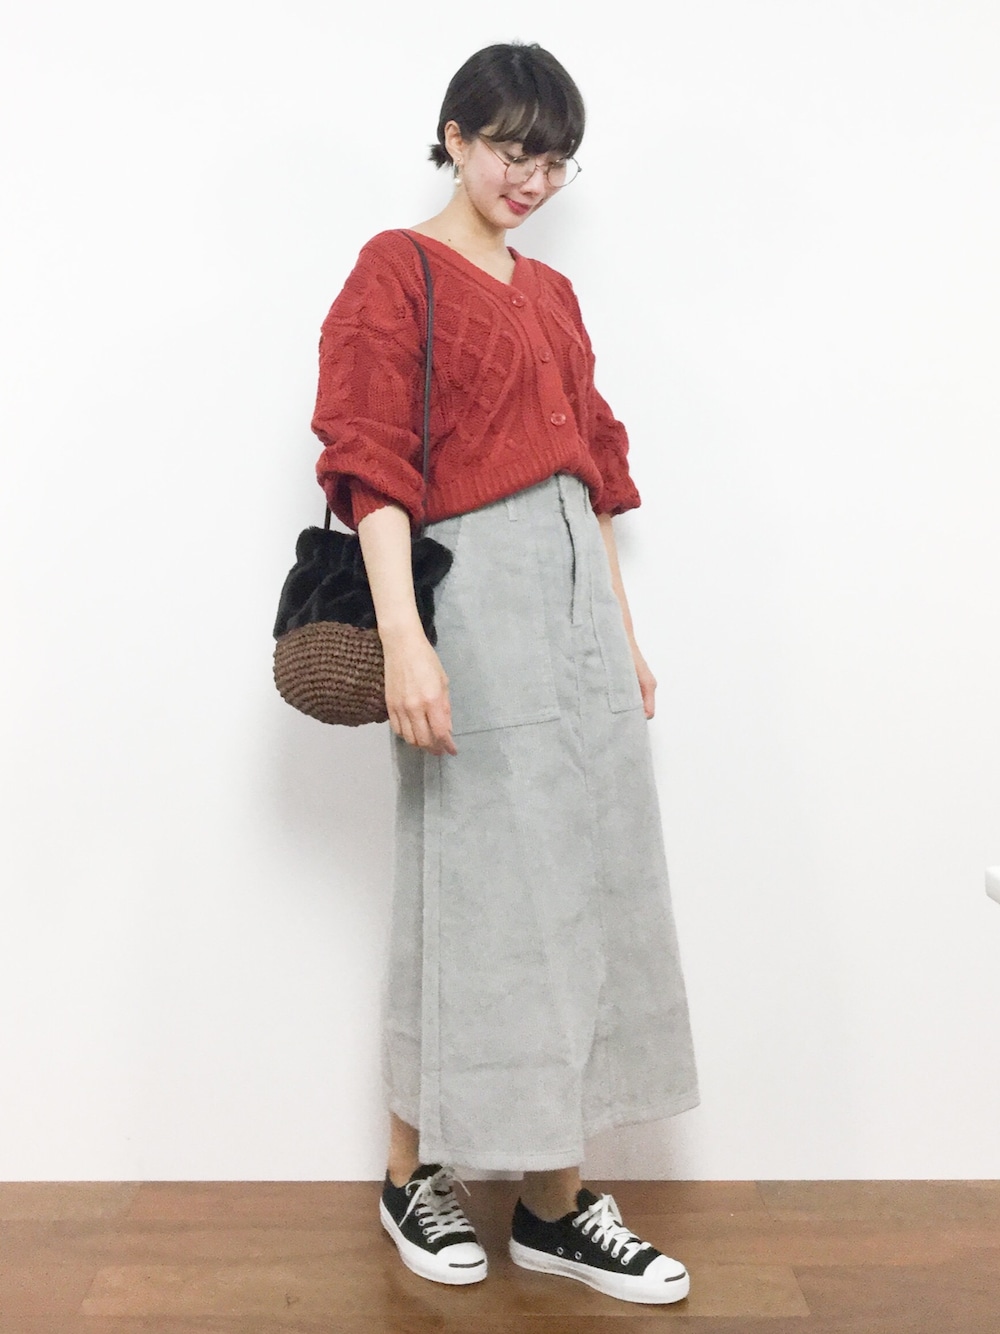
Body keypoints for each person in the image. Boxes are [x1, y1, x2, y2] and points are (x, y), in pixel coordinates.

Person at [310, 41, 700, 1307]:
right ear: (454, 136)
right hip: (468, 600)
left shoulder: (555, 295)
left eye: (554, 159)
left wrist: (621, 635)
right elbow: (370, 463)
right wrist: (405, 637)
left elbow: (591, 474)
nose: (531, 178)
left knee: (587, 886)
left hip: (576, 604)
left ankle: (554, 1199)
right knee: (467, 883)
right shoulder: (396, 268)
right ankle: (409, 1174)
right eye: (511, 149)